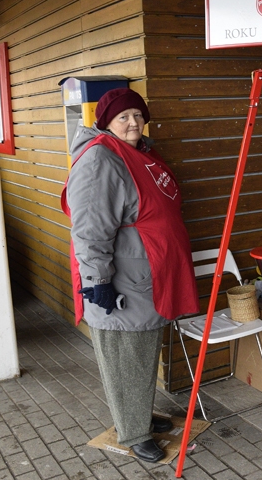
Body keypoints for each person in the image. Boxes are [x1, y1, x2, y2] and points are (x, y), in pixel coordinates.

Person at [61, 88, 200, 462]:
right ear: (106, 122)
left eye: (138, 115)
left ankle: (138, 413)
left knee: (142, 354)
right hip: (119, 282)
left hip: (146, 276)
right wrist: (98, 283)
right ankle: (133, 431)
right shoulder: (100, 161)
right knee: (126, 358)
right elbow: (89, 229)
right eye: (124, 117)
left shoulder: (137, 153)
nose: (133, 123)